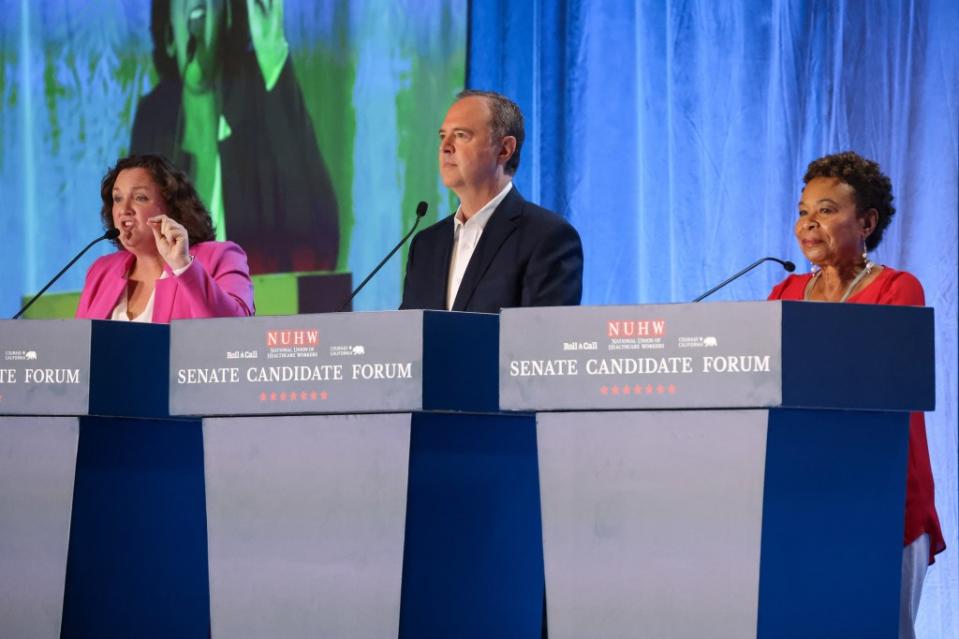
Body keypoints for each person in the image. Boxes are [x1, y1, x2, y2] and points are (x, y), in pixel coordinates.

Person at [768, 151, 945, 639]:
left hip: (884, 494)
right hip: (804, 495)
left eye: (826, 210)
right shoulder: (784, 292)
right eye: (803, 211)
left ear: (866, 221)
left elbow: (882, 380)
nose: (808, 223)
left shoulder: (897, 288)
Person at [131, 0, 340, 274]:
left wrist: (272, 50)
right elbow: (137, 247)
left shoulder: (260, 112)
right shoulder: (153, 121)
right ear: (170, 36)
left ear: (228, 20)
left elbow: (316, 231)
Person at [400, 90, 583, 313]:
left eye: (461, 135)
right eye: (442, 136)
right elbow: (408, 338)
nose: (445, 146)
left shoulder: (547, 238)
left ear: (504, 149)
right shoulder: (426, 245)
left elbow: (542, 341)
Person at [76, 154, 254, 322]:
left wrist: (183, 267)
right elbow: (78, 345)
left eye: (140, 197)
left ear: (172, 207)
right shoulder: (102, 270)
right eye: (117, 198)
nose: (124, 209)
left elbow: (235, 330)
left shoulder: (220, 257)